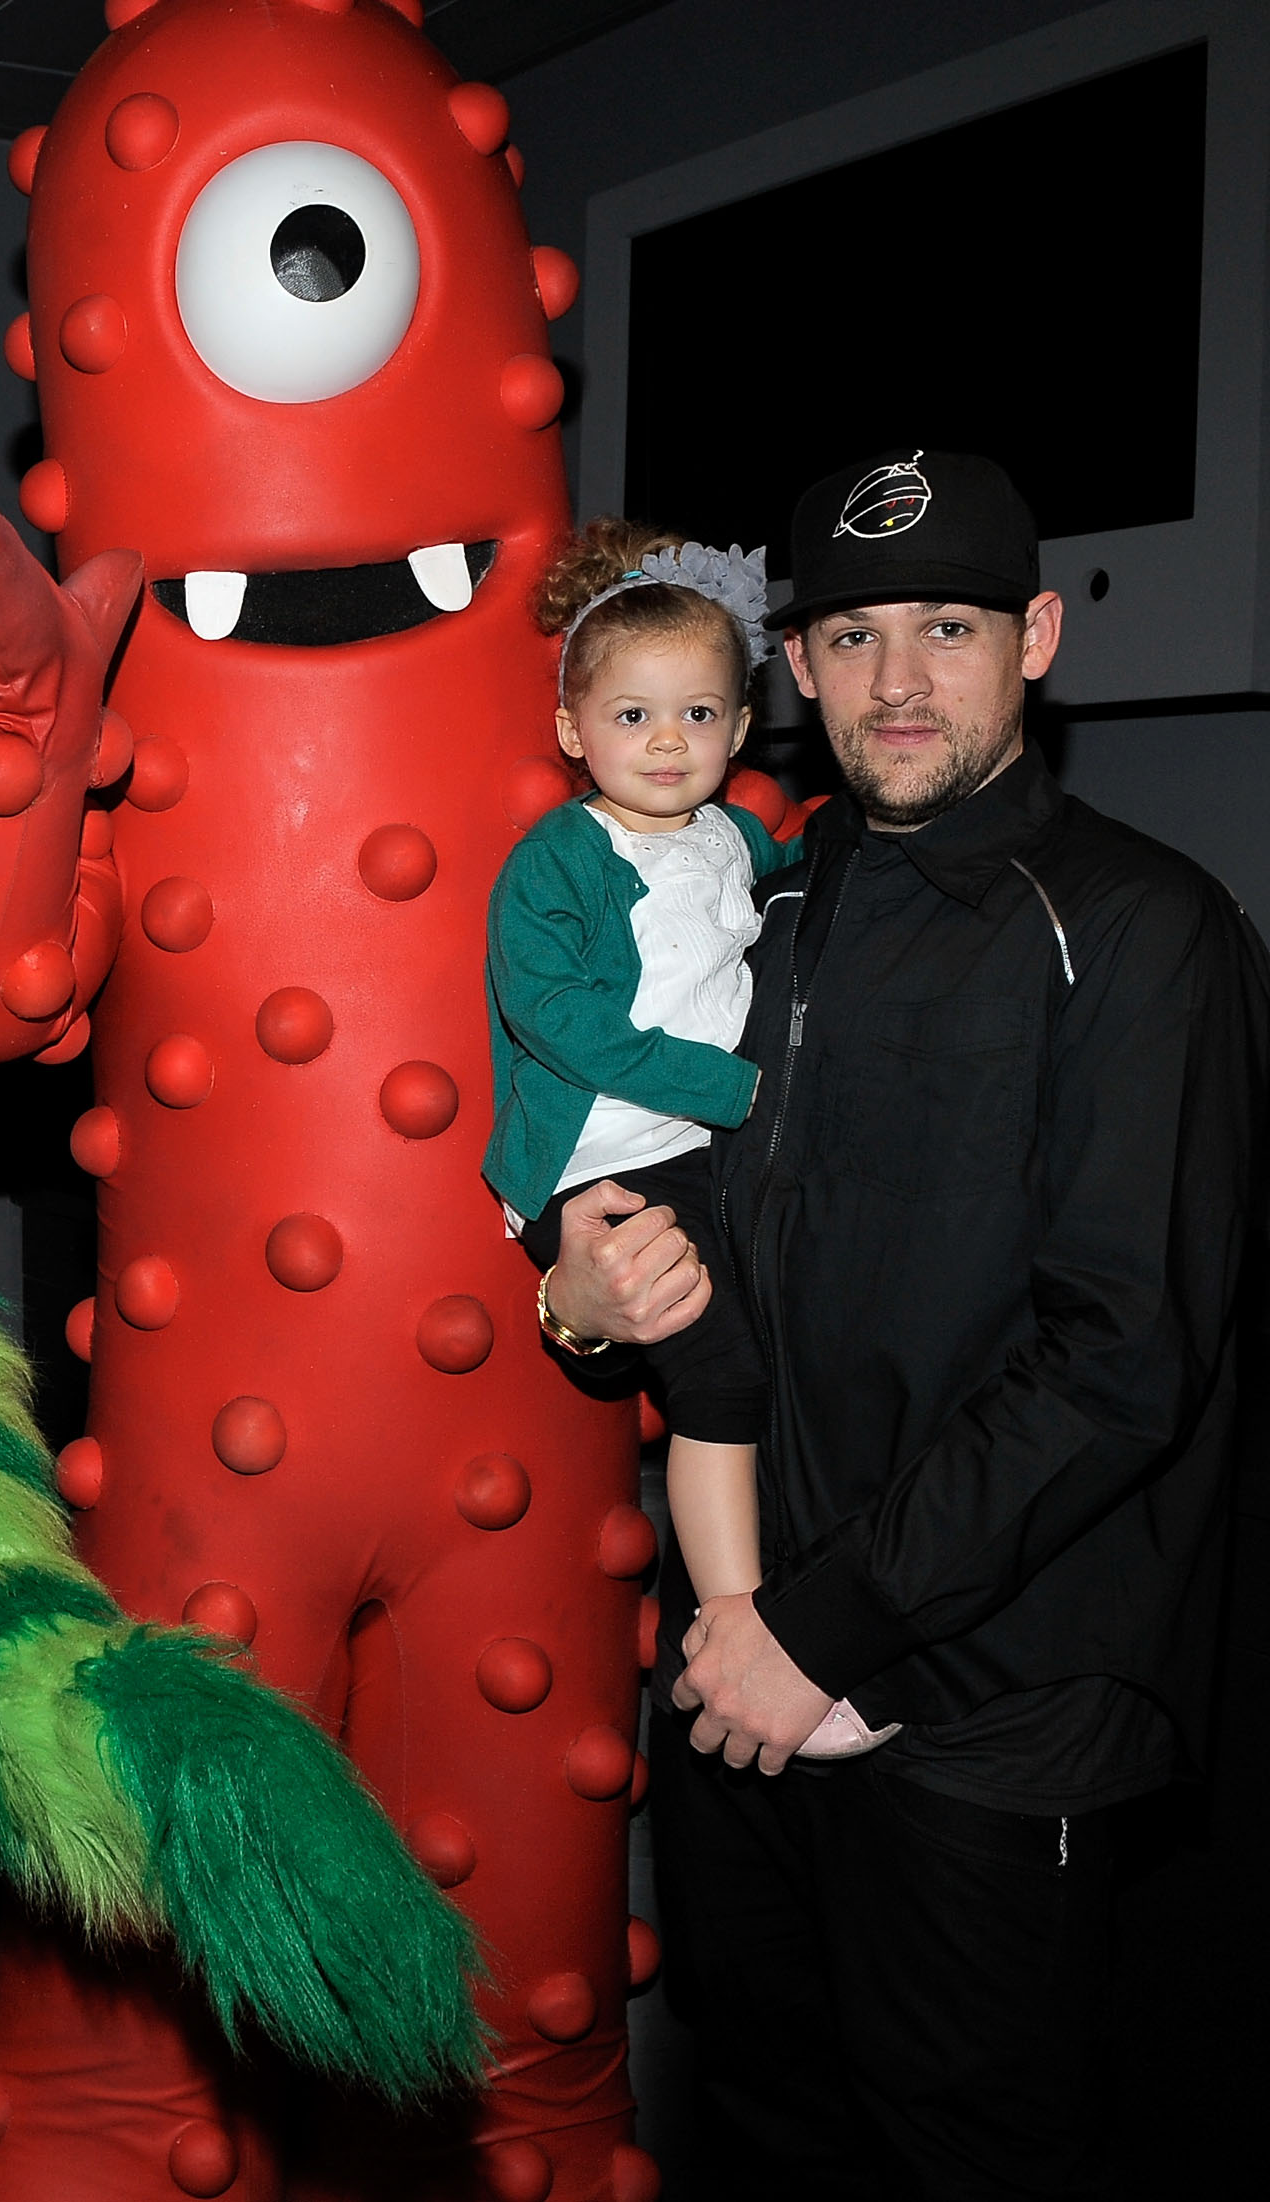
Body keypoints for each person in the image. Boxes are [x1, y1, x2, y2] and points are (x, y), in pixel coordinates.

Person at [539, 450, 1270, 2196]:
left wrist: (821, 1629)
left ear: (1032, 638)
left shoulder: (1141, 926)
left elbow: (1120, 1361)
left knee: (969, 2156)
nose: (898, 681)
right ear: (792, 666)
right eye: (852, 635)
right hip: (751, 1670)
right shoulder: (759, 908)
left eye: (946, 627)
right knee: (771, 2127)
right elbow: (685, 1199)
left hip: (991, 1707)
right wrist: (579, 1295)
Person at [486, 520, 884, 1759]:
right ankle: (732, 1633)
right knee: (719, 1376)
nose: (670, 745)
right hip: (605, 1154)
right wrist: (730, 1086)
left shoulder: (723, 836)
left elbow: (781, 874)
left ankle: (813, 1607)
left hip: (703, 1138)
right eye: (636, 717)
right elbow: (561, 1025)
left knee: (781, 1345)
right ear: (573, 729)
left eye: (702, 716)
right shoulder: (560, 860)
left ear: (741, 721)